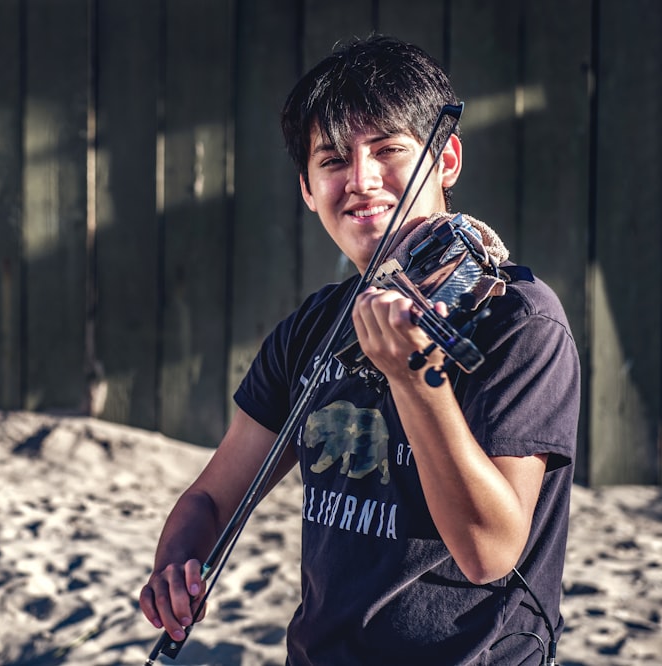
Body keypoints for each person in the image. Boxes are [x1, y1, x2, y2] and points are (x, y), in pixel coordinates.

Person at [139, 35, 579, 665]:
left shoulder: (522, 322)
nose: (362, 180)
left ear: (446, 159)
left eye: (389, 149)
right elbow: (213, 497)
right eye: (332, 160)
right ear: (307, 188)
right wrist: (177, 564)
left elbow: (490, 553)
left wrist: (413, 376)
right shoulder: (312, 327)